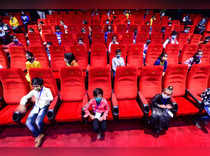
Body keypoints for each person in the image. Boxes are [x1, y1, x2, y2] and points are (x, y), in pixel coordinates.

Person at [16, 77, 53, 147]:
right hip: (36, 107)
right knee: (28, 123)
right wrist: (22, 104)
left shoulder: (47, 90)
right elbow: (25, 97)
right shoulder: (33, 91)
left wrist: (39, 98)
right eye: (34, 86)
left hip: (44, 107)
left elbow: (51, 98)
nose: (35, 88)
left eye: (37, 86)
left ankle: (40, 134)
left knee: (38, 121)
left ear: (41, 85)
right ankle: (38, 135)